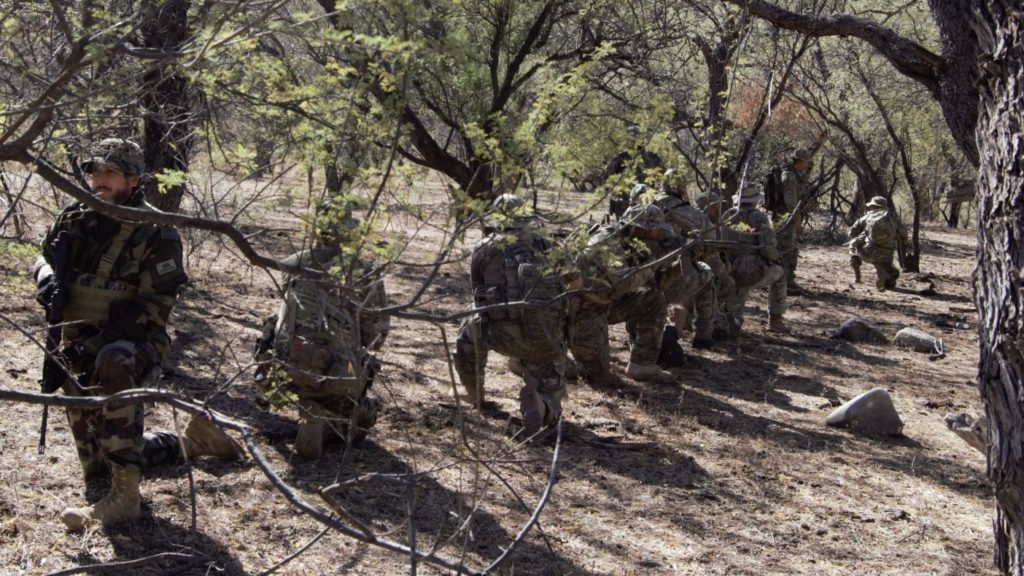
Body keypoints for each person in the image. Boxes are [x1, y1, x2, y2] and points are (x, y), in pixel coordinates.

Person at [33, 138, 242, 531]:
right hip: (75, 339)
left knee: (113, 363)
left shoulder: (156, 233)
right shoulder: (75, 216)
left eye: (110, 172)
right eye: (95, 171)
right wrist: (44, 277)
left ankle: (126, 500)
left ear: (133, 179)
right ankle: (193, 442)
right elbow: (42, 255)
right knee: (103, 460)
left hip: (134, 343)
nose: (99, 179)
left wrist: (89, 348)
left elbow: (151, 310)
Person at [254, 200, 386, 459]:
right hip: (336, 378)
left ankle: (283, 399)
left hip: (285, 370)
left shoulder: (292, 263)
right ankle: (333, 419)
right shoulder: (365, 272)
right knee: (366, 415)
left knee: (272, 325)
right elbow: (376, 336)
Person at [453, 195, 571, 438]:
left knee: (468, 325)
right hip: (546, 338)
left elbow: (478, 294)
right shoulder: (550, 245)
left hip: (501, 335)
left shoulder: (484, 248)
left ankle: (474, 393)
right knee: (552, 391)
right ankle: (544, 406)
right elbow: (577, 283)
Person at [650, 169, 716, 349]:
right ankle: (703, 335)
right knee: (706, 275)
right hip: (672, 279)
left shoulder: (643, 207)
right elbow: (711, 245)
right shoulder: (693, 214)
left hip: (640, 278)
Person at [718, 184, 788, 335]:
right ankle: (775, 320)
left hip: (728, 267)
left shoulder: (727, 215)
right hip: (750, 269)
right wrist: (775, 259)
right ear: (756, 200)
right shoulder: (759, 217)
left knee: (735, 295)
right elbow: (767, 247)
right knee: (780, 274)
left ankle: (730, 321)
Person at [772, 148, 813, 291]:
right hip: (785, 218)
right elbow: (790, 202)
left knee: (791, 249)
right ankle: (781, 282)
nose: (807, 165)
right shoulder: (789, 177)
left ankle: (788, 280)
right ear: (800, 161)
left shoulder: (795, 173)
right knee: (785, 250)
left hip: (788, 217)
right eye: (806, 162)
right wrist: (797, 221)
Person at [848, 196, 907, 290]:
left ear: (873, 206)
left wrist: (861, 237)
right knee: (892, 273)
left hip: (869, 251)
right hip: (887, 255)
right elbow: (904, 234)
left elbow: (851, 232)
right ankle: (885, 276)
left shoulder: (867, 217)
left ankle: (857, 278)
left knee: (853, 245)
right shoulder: (893, 219)